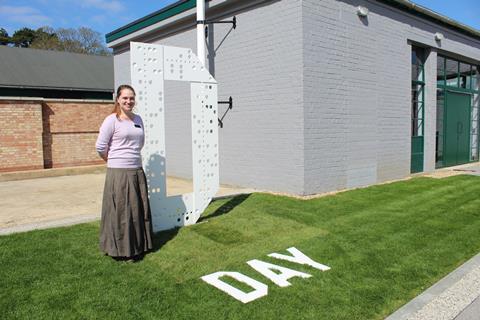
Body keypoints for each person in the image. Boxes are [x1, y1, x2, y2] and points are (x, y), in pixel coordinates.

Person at [96, 84, 153, 261]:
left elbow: (140, 143)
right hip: (118, 173)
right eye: (125, 98)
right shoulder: (111, 120)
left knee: (137, 212)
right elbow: (100, 147)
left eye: (131, 98)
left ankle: (138, 246)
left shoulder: (138, 119)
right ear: (118, 99)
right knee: (121, 212)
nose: (129, 101)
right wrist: (112, 161)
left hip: (136, 170)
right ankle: (120, 250)